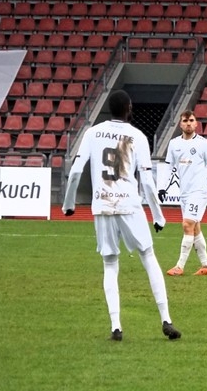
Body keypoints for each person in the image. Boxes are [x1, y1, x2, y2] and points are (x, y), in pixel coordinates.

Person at [62, 89, 181, 341]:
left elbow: (76, 170)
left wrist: (68, 204)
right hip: (129, 203)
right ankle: (166, 319)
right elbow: (146, 181)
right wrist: (158, 216)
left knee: (109, 263)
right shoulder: (137, 136)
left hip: (102, 205)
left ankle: (116, 326)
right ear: (129, 108)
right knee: (148, 256)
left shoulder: (92, 133)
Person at [160, 109, 207, 276]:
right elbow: (168, 167)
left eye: (191, 120)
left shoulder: (203, 143)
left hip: (199, 191)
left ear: (196, 123)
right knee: (195, 228)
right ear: (180, 124)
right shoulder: (174, 144)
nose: (188, 124)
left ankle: (179, 266)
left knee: (187, 225)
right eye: (185, 121)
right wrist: (162, 187)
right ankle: (206, 266)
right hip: (184, 193)